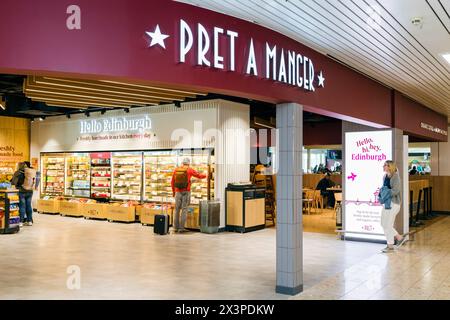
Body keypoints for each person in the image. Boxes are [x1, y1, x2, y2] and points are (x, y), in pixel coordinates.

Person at [171, 158, 207, 233]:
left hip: (177, 192)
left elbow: (172, 182)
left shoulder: (176, 169)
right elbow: (199, 175)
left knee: (177, 210)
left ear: (182, 163)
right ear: (188, 163)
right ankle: (181, 228)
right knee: (184, 209)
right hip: (186, 192)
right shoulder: (190, 170)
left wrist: (174, 192)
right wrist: (206, 175)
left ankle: (175, 228)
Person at [379, 161, 407, 253]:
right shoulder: (385, 176)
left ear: (390, 166)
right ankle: (399, 237)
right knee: (383, 223)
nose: (383, 166)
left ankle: (390, 245)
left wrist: (385, 192)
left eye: (385, 165)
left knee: (388, 225)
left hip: (394, 203)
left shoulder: (396, 177)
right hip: (387, 203)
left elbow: (395, 190)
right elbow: (384, 189)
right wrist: (382, 194)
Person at [11, 161, 37, 227]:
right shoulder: (29, 171)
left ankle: (21, 222)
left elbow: (14, 182)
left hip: (21, 191)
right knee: (28, 206)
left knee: (22, 206)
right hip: (30, 190)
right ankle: (30, 221)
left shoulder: (18, 172)